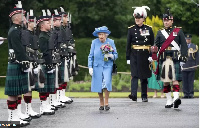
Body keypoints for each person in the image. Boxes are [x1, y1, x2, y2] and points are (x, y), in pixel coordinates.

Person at [154, 9, 188, 108]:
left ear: (172, 21)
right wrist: (152, 55)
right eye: (164, 20)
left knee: (175, 79)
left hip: (175, 58)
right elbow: (156, 46)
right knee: (166, 81)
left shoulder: (178, 31)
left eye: (168, 20)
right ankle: (169, 100)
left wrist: (183, 59)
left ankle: (176, 98)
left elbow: (184, 46)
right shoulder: (160, 33)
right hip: (164, 59)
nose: (166, 22)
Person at [5, 1, 30, 126]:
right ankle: (10, 119)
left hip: (17, 63)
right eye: (23, 15)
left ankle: (15, 117)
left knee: (17, 92)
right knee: (13, 93)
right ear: (17, 17)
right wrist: (25, 62)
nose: (25, 18)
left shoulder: (17, 30)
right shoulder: (14, 31)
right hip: (16, 62)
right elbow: (18, 49)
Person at [126, 6, 154, 102]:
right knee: (134, 75)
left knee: (144, 76)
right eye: (136, 18)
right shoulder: (131, 29)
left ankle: (144, 95)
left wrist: (151, 56)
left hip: (145, 55)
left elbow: (152, 44)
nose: (137, 20)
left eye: (139, 18)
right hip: (134, 55)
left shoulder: (149, 29)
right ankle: (133, 94)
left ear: (143, 19)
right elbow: (128, 44)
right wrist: (128, 57)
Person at [88, 26, 118, 110]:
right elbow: (90, 56)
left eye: (102, 34)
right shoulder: (94, 42)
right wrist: (90, 67)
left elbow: (116, 55)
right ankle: (101, 103)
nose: (101, 36)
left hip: (107, 66)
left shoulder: (111, 42)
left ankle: (107, 103)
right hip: (97, 66)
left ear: (106, 35)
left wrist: (111, 55)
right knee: (99, 84)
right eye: (99, 34)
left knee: (107, 82)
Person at [37, 9, 56, 115]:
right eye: (48, 23)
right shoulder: (42, 37)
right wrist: (49, 64)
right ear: (42, 26)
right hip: (45, 63)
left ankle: (47, 104)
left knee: (48, 85)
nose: (50, 24)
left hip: (49, 62)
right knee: (44, 86)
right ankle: (43, 106)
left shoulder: (47, 35)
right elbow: (45, 52)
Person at [182, 34, 199, 98]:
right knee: (184, 81)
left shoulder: (194, 46)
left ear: (190, 39)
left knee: (190, 80)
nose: (187, 40)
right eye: (186, 39)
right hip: (184, 66)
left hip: (191, 65)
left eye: (189, 39)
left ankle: (191, 93)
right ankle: (186, 93)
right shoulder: (182, 46)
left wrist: (196, 64)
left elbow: (197, 57)